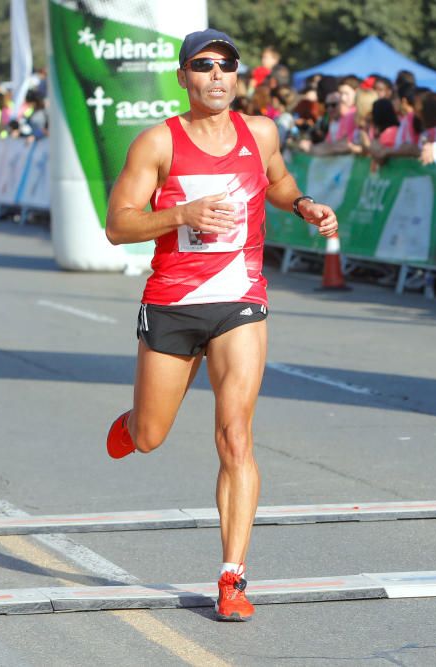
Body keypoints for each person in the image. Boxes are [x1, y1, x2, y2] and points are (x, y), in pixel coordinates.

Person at [103, 29, 338, 623]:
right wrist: (180, 213)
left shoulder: (260, 133)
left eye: (227, 66)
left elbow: (279, 181)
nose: (217, 75)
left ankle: (232, 577)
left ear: (238, 77)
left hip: (240, 299)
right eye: (203, 65)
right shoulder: (158, 143)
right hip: (173, 304)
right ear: (183, 77)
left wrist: (304, 205)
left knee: (236, 436)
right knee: (152, 436)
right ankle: (133, 423)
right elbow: (118, 225)